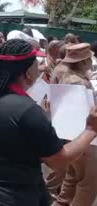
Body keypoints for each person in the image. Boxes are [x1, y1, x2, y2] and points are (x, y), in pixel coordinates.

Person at [0, 38, 97, 206]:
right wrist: (91, 130)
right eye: (36, 63)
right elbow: (57, 161)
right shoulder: (27, 110)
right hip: (1, 198)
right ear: (28, 73)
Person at [52, 43, 97, 206]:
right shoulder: (77, 82)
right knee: (88, 185)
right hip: (84, 139)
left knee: (70, 184)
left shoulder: (69, 76)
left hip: (71, 138)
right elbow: (84, 113)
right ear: (84, 61)